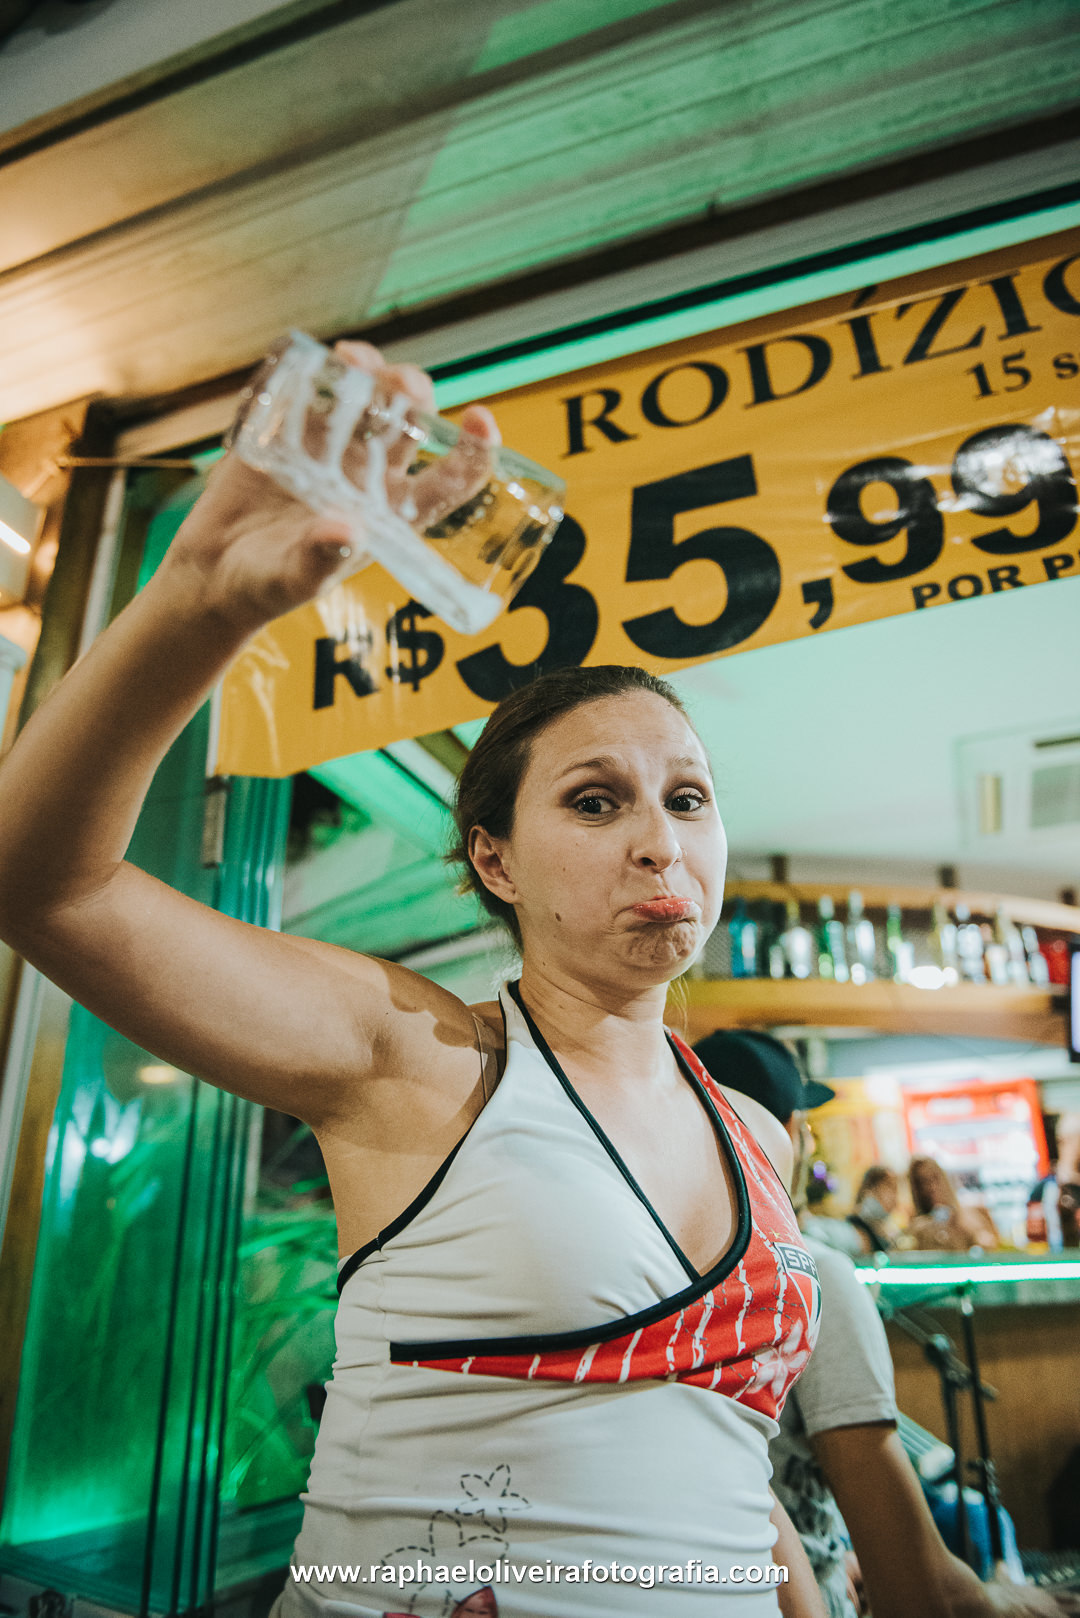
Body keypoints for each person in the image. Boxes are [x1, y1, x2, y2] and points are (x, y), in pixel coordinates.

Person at [0, 342, 826, 1618]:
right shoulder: (423, 1060)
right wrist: (204, 599)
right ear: (492, 856)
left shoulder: (758, 1134)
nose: (662, 839)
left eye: (688, 798)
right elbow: (46, 884)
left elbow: (724, 1450)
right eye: (596, 801)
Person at [694, 1029, 1080, 1618]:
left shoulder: (657, 1278)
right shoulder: (812, 1275)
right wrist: (1026, 1607)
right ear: (790, 1130)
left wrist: (840, 1545)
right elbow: (917, 1589)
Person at [908, 1156, 1001, 1252]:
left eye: (934, 1178)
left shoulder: (969, 1215)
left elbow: (990, 1245)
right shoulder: (915, 1225)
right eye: (922, 1182)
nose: (930, 1187)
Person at [846, 1166, 902, 1256]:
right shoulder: (855, 1228)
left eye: (895, 1189)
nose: (894, 1196)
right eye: (889, 1187)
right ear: (869, 1190)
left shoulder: (885, 1231)